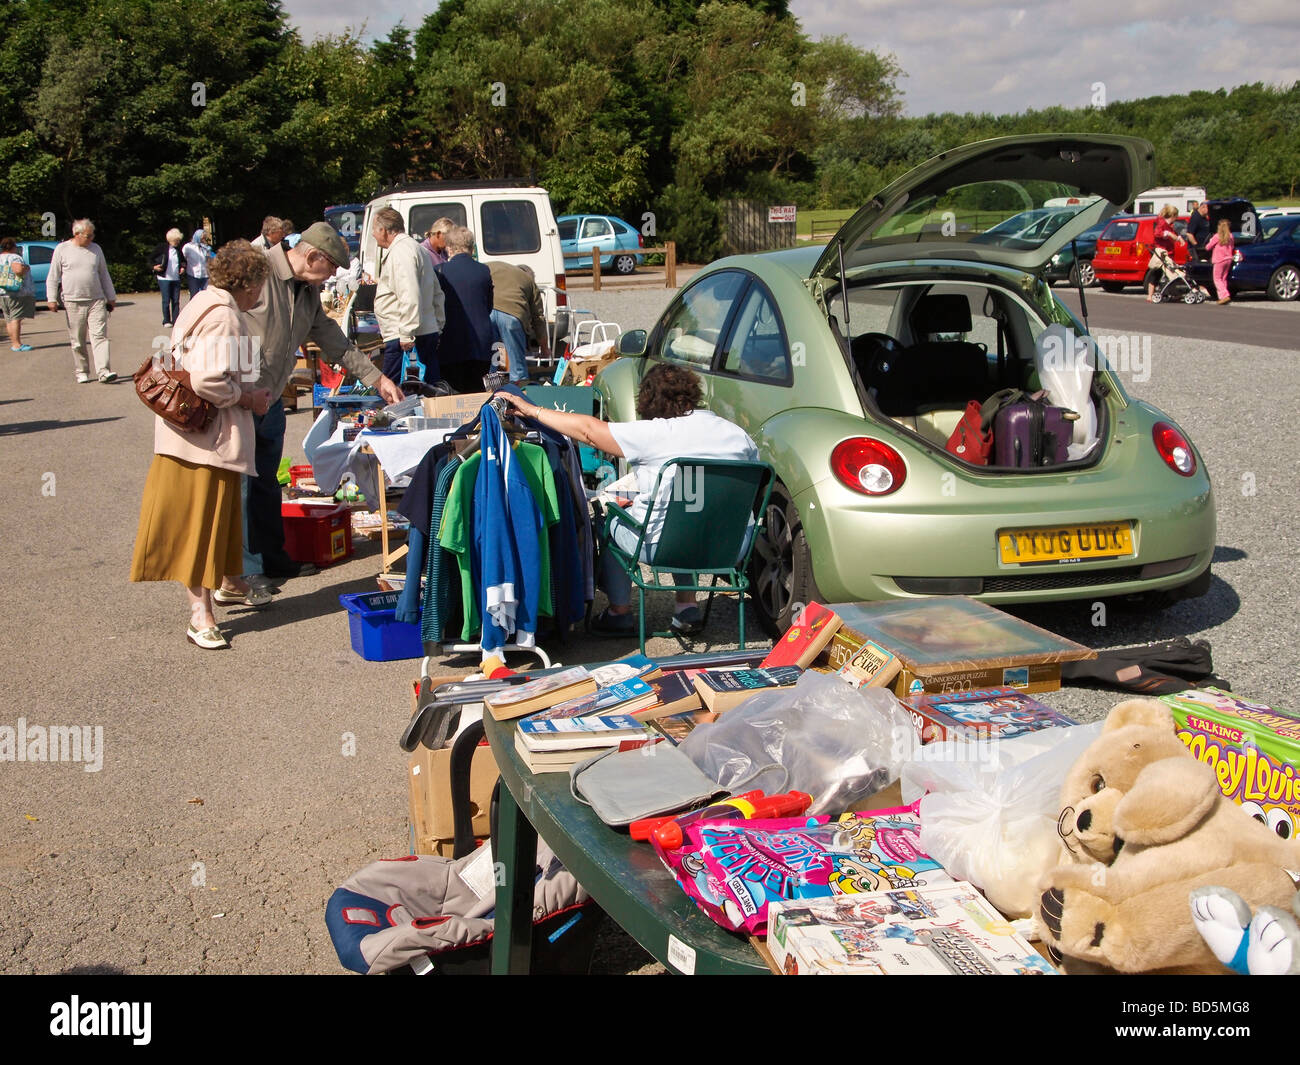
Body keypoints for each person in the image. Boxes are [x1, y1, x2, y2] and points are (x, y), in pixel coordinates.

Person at [498, 363, 759, 636]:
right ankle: (686, 608)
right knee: (692, 509)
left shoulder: (657, 432)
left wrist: (533, 411)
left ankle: (619, 612)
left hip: (664, 547)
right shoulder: (737, 435)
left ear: (647, 400)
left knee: (610, 516)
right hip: (731, 547)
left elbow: (589, 431)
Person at [129, 240, 274, 650]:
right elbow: (208, 381)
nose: (261, 293)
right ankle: (200, 615)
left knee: (219, 517)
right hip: (203, 442)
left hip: (191, 437)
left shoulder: (202, 301)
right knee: (201, 526)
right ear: (248, 283)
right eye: (260, 284)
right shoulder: (226, 315)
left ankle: (229, 583)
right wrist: (249, 399)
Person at [242, 222, 404, 582]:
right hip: (241, 398)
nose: (331, 277)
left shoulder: (307, 291)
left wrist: (377, 378)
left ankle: (272, 559)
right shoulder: (258, 272)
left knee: (266, 482)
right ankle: (244, 572)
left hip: (269, 400)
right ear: (312, 255)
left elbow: (334, 341)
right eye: (330, 268)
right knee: (241, 484)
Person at [371, 206, 445, 385]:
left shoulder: (401, 251)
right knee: (427, 391)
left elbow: (409, 293)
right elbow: (436, 292)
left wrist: (406, 333)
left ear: (384, 230)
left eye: (374, 229)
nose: (373, 234)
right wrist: (438, 324)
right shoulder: (416, 248)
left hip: (405, 336)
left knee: (394, 395)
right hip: (422, 331)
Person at [46, 218, 118, 383]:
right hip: (72, 301)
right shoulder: (62, 249)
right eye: (88, 236)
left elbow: (104, 274)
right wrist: (51, 299)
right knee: (78, 339)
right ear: (76, 234)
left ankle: (103, 371)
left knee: (99, 336)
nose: (91, 238)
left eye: (92, 235)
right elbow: (53, 276)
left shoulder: (96, 249)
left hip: (96, 300)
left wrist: (111, 296)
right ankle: (82, 371)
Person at [434, 226, 495, 393]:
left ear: (449, 247)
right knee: (476, 392)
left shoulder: (440, 271)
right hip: (480, 342)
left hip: (450, 341)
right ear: (471, 247)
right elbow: (488, 306)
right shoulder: (484, 270)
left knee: (453, 393)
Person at [487, 261, 551, 384]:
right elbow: (538, 318)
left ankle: (488, 394)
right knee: (517, 367)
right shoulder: (529, 281)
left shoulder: (502, 270)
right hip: (512, 317)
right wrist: (544, 348)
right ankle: (519, 394)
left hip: (488, 313)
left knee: (490, 363)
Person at [0, 237, 36, 351]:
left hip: (3, 292)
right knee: (16, 318)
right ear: (13, 247)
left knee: (9, 318)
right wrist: (26, 268)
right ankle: (17, 344)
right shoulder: (15, 257)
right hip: (16, 292)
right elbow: (18, 270)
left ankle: (13, 343)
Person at [1146, 204, 1186, 302]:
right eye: (1176, 217)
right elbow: (1157, 233)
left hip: (1168, 252)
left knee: (1170, 274)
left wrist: (1179, 238)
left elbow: (1174, 234)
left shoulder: (1168, 225)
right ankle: (1150, 295)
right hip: (1162, 252)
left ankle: (1173, 293)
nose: (1176, 219)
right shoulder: (1162, 223)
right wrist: (1169, 235)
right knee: (1157, 273)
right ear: (1173, 216)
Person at [150, 228, 187, 325]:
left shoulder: (178, 250)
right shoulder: (161, 247)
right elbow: (150, 258)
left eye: (178, 240)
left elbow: (183, 261)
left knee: (175, 301)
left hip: (176, 278)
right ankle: (166, 320)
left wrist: (183, 267)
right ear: (170, 239)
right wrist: (154, 267)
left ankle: (176, 320)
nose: (177, 242)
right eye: (176, 240)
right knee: (166, 300)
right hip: (164, 278)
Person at [1205, 219, 1236, 305]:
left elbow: (1208, 247)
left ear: (1219, 227)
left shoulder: (1216, 236)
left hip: (1219, 259)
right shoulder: (1231, 236)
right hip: (1228, 259)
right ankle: (1222, 297)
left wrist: (1210, 241)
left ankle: (1225, 295)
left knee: (1217, 279)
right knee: (1223, 278)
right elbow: (1232, 246)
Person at [182, 228, 212, 297]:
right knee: (194, 296)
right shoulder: (188, 247)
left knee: (206, 296)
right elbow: (183, 258)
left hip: (205, 275)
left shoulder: (206, 248)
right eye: (202, 238)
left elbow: (209, 260)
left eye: (204, 238)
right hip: (193, 275)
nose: (203, 240)